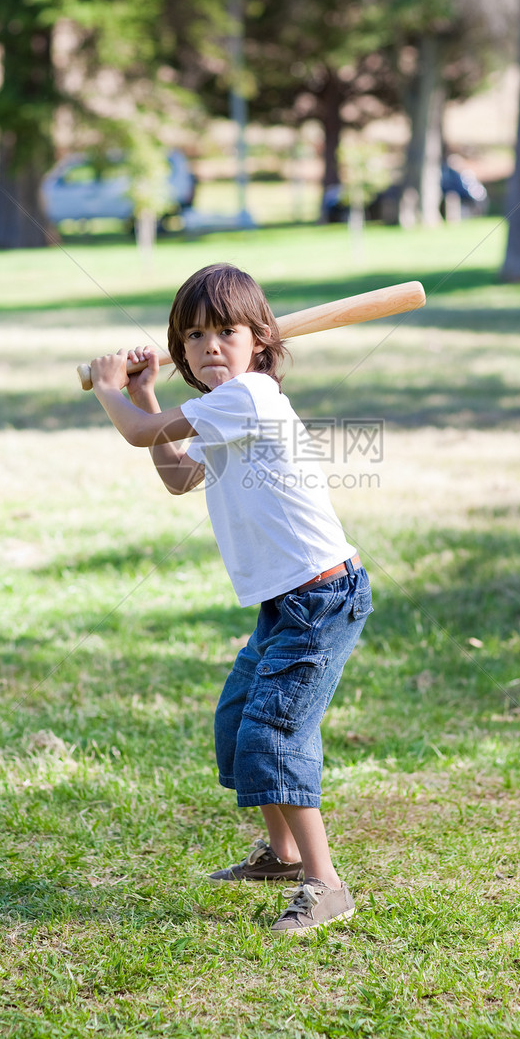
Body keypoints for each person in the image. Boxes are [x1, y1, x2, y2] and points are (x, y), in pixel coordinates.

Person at [89, 262, 372, 936]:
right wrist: (148, 399)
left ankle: (325, 883)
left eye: (226, 331)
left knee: (273, 734)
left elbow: (134, 434)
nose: (209, 346)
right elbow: (178, 474)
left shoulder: (251, 397)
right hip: (285, 602)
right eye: (193, 336)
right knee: (239, 722)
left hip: (321, 598)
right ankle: (282, 854)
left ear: (259, 343)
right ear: (180, 351)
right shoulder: (227, 412)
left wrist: (111, 392)